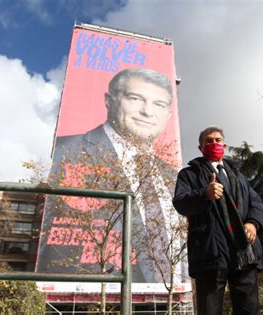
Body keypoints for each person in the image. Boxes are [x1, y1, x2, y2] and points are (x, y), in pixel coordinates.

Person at [37, 68, 186, 285]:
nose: (147, 112)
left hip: (171, 296)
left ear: (168, 115)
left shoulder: (173, 176)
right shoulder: (67, 151)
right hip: (94, 294)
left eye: (159, 104)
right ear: (109, 100)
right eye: (135, 98)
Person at [173, 127, 263, 315]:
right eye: (208, 141)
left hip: (243, 251)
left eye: (217, 140)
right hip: (210, 254)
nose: (214, 144)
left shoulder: (239, 176)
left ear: (224, 145)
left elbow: (256, 203)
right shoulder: (189, 175)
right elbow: (180, 203)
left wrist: (252, 224)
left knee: (249, 310)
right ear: (200, 148)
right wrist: (204, 194)